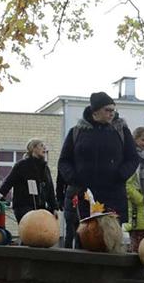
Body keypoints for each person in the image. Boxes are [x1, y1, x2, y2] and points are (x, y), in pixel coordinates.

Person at [58, 91, 139, 225]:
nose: (111, 113)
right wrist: (74, 178)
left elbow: (132, 158)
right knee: (84, 238)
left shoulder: (122, 131)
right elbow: (64, 161)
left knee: (111, 238)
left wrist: (121, 174)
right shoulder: (76, 132)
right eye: (107, 110)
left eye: (113, 110)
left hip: (113, 195)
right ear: (95, 112)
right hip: (84, 195)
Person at [0, 138, 57, 220]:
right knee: (30, 231)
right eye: (41, 145)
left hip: (41, 209)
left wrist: (54, 208)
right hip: (23, 208)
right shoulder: (21, 166)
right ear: (33, 148)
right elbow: (8, 183)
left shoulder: (45, 168)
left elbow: (50, 189)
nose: (45, 148)